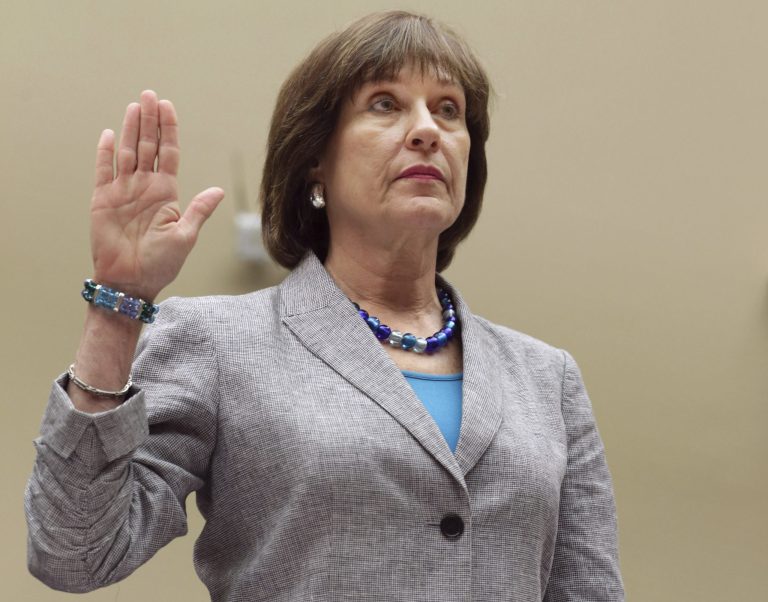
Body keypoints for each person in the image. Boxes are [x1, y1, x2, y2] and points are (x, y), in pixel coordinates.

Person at [26, 10, 624, 602]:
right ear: (316, 160)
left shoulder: (548, 380)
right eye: (385, 104)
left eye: (448, 109)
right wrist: (119, 304)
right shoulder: (218, 343)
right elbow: (74, 552)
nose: (428, 130)